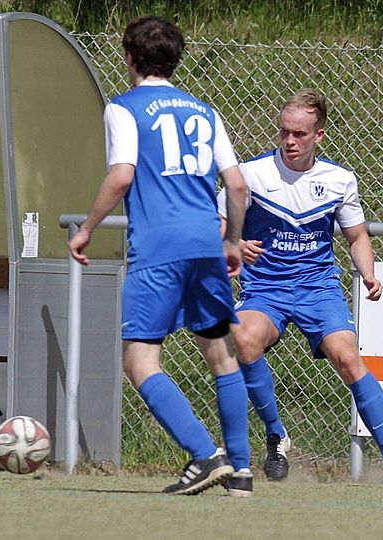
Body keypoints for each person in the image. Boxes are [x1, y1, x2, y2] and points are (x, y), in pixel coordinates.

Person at [68, 16, 254, 497]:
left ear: (129, 58)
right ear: (176, 59)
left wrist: (86, 228)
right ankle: (242, 470)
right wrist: (231, 240)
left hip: (158, 247)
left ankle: (203, 454)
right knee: (221, 353)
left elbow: (122, 176)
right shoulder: (204, 111)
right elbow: (236, 184)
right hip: (204, 244)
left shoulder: (124, 108)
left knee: (140, 361)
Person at [217, 89, 383, 485]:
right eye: (285, 132)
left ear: (318, 135)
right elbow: (217, 229)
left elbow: (357, 237)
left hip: (318, 288)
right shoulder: (250, 176)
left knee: (347, 357)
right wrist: (233, 244)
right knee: (243, 339)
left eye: (300, 134)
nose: (290, 141)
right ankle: (277, 435)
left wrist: (369, 274)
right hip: (265, 289)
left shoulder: (338, 180)